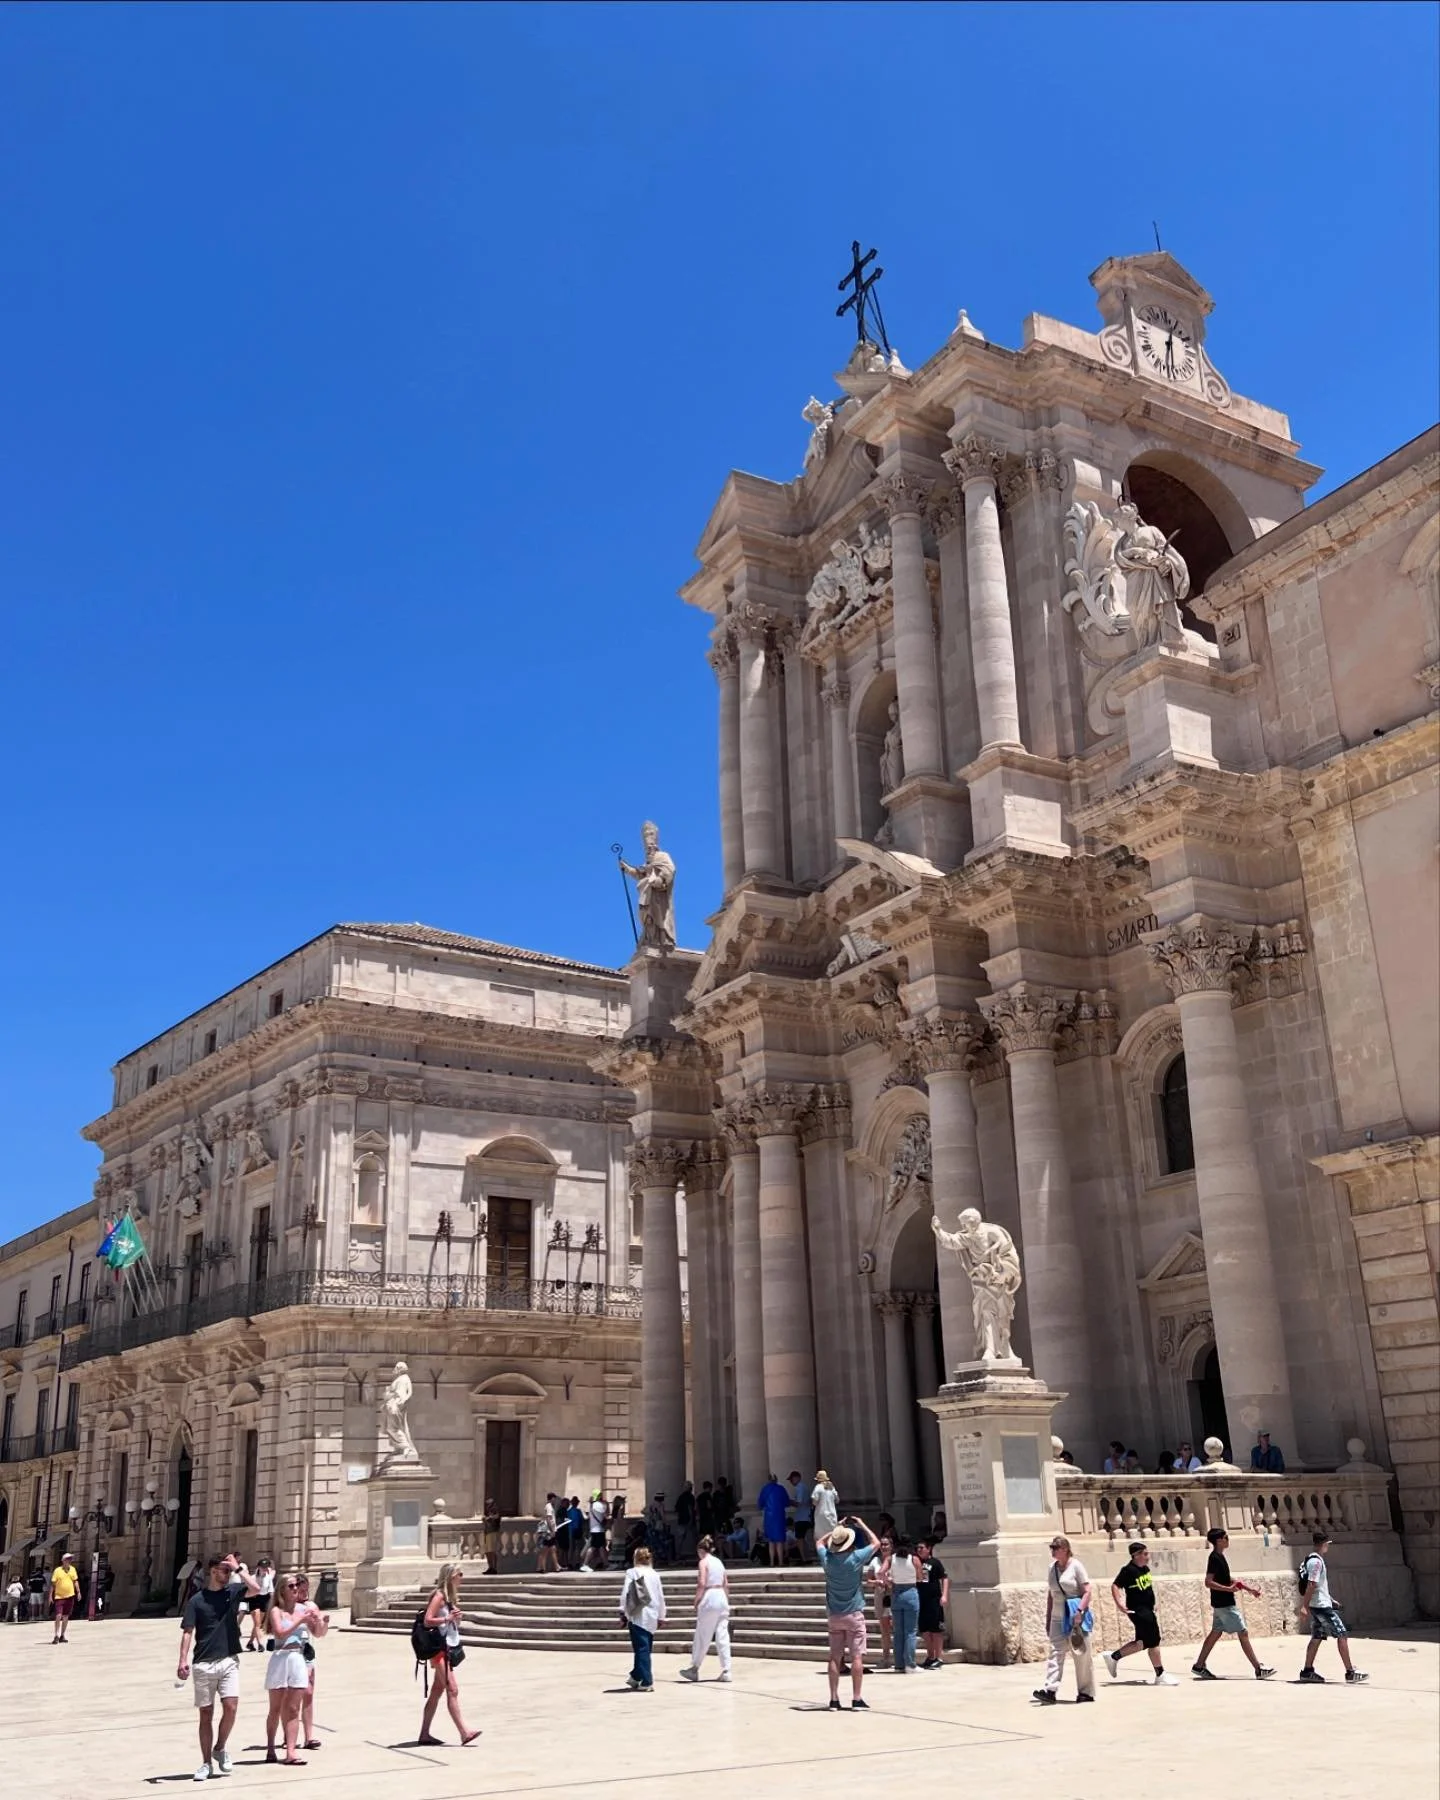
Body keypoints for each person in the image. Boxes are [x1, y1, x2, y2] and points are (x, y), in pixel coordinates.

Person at [177, 1552, 264, 1782]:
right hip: (203, 1662)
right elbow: (188, 1632)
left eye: (228, 1571)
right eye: (223, 1570)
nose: (226, 1574)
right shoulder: (197, 1601)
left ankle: (220, 1747)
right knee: (206, 1714)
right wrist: (182, 1660)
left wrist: (238, 1568)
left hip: (228, 1659)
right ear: (213, 1572)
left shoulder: (233, 1593)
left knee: (231, 1707)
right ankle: (206, 1763)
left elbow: (256, 1588)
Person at [262, 1571, 329, 1765]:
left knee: (293, 1707)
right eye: (290, 1586)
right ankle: (270, 1747)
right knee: (275, 1708)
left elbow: (317, 1634)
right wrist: (300, 1620)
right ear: (282, 1589)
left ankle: (291, 1751)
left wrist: (322, 1623)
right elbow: (281, 1633)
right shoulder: (276, 1611)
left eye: (295, 1586)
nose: (295, 1589)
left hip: (298, 1657)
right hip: (281, 1657)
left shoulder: (303, 1608)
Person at [1192, 1527, 1275, 1680]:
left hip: (1221, 1603)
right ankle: (1258, 1669)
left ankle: (1199, 1665)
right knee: (1243, 1632)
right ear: (1219, 1541)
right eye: (1226, 1537)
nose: (1228, 1540)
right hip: (1224, 1604)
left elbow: (1228, 1580)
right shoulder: (1214, 1558)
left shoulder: (1220, 1557)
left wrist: (1248, 1589)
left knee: (1215, 1633)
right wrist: (1228, 1590)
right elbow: (1208, 1582)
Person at [816, 1516, 879, 1711]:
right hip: (854, 1613)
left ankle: (834, 1699)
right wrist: (861, 1524)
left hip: (834, 1613)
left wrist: (835, 1529)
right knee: (857, 1657)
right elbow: (875, 1542)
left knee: (834, 1657)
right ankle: (856, 1698)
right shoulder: (856, 1558)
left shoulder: (827, 1559)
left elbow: (819, 1542)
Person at [418, 1564, 481, 1746]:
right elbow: (428, 1620)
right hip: (438, 1649)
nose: (461, 1578)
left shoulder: (449, 1598)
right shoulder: (438, 1596)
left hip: (447, 1647)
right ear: (450, 1577)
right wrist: (447, 1618)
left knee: (437, 1691)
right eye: (459, 1574)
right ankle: (464, 1732)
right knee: (452, 1689)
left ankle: (424, 1733)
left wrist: (456, 1619)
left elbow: (450, 1626)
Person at [1298, 1532, 1367, 1684]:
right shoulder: (1316, 1562)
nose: (1328, 1546)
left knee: (1316, 1637)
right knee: (1341, 1633)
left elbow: (1317, 1586)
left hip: (1318, 1604)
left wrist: (1331, 1600)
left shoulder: (1310, 1559)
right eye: (1327, 1544)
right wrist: (1304, 1606)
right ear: (1324, 1544)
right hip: (1321, 1607)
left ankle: (1307, 1671)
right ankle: (1350, 1671)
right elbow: (1312, 1584)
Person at [1103, 1544, 1178, 1685]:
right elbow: (1115, 1586)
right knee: (1154, 1640)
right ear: (1136, 1555)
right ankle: (1160, 1674)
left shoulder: (1145, 1569)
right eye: (1145, 1554)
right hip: (1137, 1610)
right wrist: (1120, 1604)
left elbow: (1147, 1588)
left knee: (1142, 1643)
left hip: (1148, 1609)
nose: (1148, 1557)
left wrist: (1154, 1602)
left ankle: (1113, 1657)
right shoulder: (1128, 1571)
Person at [1034, 1536, 1096, 1704]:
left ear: (1065, 1549)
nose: (1053, 1550)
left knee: (1081, 1653)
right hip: (1057, 1615)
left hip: (1075, 1615)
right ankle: (1050, 1690)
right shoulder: (1051, 1568)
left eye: (1056, 1547)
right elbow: (1051, 1594)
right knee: (1055, 1651)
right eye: (1051, 1547)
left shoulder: (1076, 1566)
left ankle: (1086, 1692)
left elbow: (1087, 1591)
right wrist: (1048, 1618)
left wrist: (1080, 1610)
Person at [679, 1535, 731, 1683]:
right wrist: (726, 1600)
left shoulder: (704, 1562)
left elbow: (701, 1583)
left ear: (701, 1550)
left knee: (702, 1635)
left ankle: (695, 1667)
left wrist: (697, 1600)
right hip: (721, 1595)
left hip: (710, 1596)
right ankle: (726, 1669)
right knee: (722, 1635)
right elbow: (726, 1584)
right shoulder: (719, 1562)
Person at [618, 1546, 666, 1691]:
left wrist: (622, 1612)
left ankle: (647, 1681)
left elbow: (626, 1593)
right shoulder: (654, 1574)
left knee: (641, 1649)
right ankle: (636, 1676)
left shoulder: (632, 1572)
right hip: (652, 1615)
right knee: (645, 1647)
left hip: (637, 1614)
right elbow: (660, 1596)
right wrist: (662, 1615)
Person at [292, 1573, 323, 1752]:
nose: (304, 1594)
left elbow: (318, 1633)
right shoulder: (286, 1607)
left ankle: (309, 1736)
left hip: (307, 1652)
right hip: (289, 1653)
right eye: (300, 1590)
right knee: (291, 1697)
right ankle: (288, 1735)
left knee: (309, 1693)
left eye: (306, 1590)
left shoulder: (311, 1605)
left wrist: (319, 1620)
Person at [888, 1536, 922, 1673]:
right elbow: (920, 1577)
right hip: (910, 1591)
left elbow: (880, 1572)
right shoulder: (914, 1559)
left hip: (896, 1593)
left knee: (898, 1632)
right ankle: (910, 1664)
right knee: (910, 1631)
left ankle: (899, 1664)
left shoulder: (891, 1558)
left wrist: (889, 1580)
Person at [916, 1539, 949, 1670]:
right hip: (920, 1599)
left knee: (936, 1630)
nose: (919, 1550)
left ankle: (939, 1657)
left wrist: (944, 1595)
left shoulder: (935, 1562)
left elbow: (944, 1578)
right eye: (917, 1548)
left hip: (934, 1599)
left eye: (921, 1548)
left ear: (928, 1549)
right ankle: (930, 1656)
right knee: (924, 1630)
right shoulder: (916, 1563)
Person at [758, 1474, 789, 1567]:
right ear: (776, 1480)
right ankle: (780, 1561)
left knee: (771, 1541)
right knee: (779, 1541)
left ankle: (772, 1562)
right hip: (779, 1516)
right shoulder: (781, 1489)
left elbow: (760, 1504)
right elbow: (786, 1502)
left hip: (769, 1517)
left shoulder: (764, 1489)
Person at [49, 1552, 79, 1643]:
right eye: (68, 1559)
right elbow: (53, 1584)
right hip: (59, 1596)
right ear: (63, 1561)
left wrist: (78, 1592)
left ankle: (63, 1635)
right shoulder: (57, 1570)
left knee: (66, 1616)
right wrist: (50, 1596)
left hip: (70, 1596)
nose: (70, 1561)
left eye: (70, 1559)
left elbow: (75, 1581)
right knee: (58, 1615)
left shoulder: (73, 1569)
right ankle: (56, 1635)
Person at [246, 1558, 276, 1649]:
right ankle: (260, 1644)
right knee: (257, 1623)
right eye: (262, 1567)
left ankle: (250, 1643)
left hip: (264, 1599)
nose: (264, 1569)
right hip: (254, 1599)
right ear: (258, 1567)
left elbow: (271, 1591)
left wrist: (274, 1603)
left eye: (266, 1567)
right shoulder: (252, 1578)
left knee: (257, 1624)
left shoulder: (268, 1577)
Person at [789, 1472, 814, 1562]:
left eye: (791, 1479)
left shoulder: (799, 1488)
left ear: (796, 1478)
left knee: (800, 1538)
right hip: (806, 1515)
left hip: (801, 1517)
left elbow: (798, 1503)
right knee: (804, 1538)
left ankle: (803, 1558)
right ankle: (807, 1556)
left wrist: (789, 1501)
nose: (791, 1482)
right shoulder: (805, 1487)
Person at [811, 1471, 839, 1545]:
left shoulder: (818, 1487)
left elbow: (814, 1502)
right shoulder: (832, 1487)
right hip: (832, 1515)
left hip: (821, 1515)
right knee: (832, 1536)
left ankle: (822, 1553)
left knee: (820, 1538)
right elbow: (837, 1500)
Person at [674, 1483, 696, 1562]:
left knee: (681, 1538)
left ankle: (678, 1554)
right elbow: (690, 1508)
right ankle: (697, 1553)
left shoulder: (680, 1497)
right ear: (690, 1488)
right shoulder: (690, 1497)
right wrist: (691, 1519)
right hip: (688, 1520)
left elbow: (676, 1509)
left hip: (681, 1520)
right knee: (694, 1537)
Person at [537, 1495, 559, 1573]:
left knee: (552, 1548)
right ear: (551, 1498)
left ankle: (556, 1566)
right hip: (549, 1532)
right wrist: (552, 1530)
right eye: (554, 1499)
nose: (555, 1500)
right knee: (546, 1550)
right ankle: (542, 1568)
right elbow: (549, 1519)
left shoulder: (549, 1506)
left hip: (549, 1531)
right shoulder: (549, 1506)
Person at [588, 1491, 609, 1570]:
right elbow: (606, 1515)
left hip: (594, 1529)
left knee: (600, 1547)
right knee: (596, 1547)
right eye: (600, 1495)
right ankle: (585, 1563)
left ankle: (605, 1563)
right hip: (598, 1530)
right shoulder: (598, 1505)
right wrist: (607, 1504)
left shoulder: (592, 1505)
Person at [481, 1498, 502, 1575]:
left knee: (493, 1551)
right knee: (488, 1552)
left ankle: (495, 1568)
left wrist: (489, 1518)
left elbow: (496, 1517)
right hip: (487, 1532)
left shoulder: (495, 1511)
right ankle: (490, 1567)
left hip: (493, 1532)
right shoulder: (487, 1512)